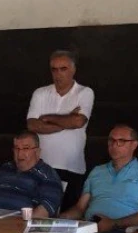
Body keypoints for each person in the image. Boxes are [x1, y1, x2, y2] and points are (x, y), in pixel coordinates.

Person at [26, 50, 95, 211]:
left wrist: (47, 118)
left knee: (63, 218)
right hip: (40, 165)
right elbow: (32, 125)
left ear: (73, 69)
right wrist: (67, 120)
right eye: (54, 69)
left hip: (71, 167)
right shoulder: (40, 93)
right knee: (36, 214)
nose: (58, 74)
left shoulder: (84, 92)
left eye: (63, 68)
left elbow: (78, 121)